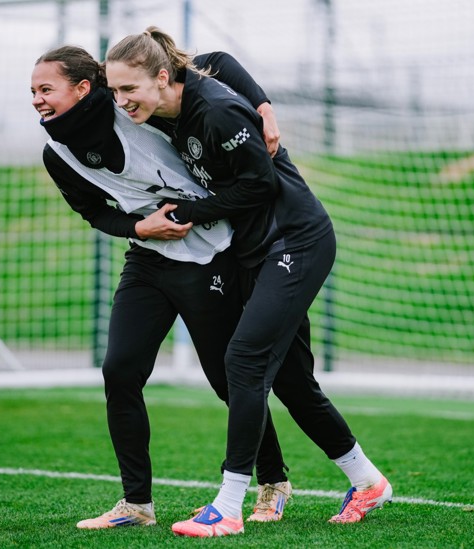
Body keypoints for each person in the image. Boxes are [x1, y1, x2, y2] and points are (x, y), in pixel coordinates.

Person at [105, 27, 393, 538]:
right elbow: (218, 56)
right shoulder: (171, 103)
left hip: (296, 241)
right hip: (255, 250)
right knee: (291, 380)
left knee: (242, 360)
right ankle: (367, 480)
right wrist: (264, 102)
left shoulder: (215, 111)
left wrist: (193, 210)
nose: (123, 101)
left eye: (131, 90)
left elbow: (259, 184)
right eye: (115, 92)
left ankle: (229, 504)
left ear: (163, 78)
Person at [31, 45, 294, 530]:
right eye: (33, 92)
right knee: (120, 369)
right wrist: (140, 230)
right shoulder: (58, 153)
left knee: (226, 378)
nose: (37, 100)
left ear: (83, 88)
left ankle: (273, 482)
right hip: (148, 260)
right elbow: (94, 211)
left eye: (46, 89)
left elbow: (215, 61)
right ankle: (136, 504)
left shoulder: (135, 104)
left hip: (210, 253)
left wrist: (263, 107)